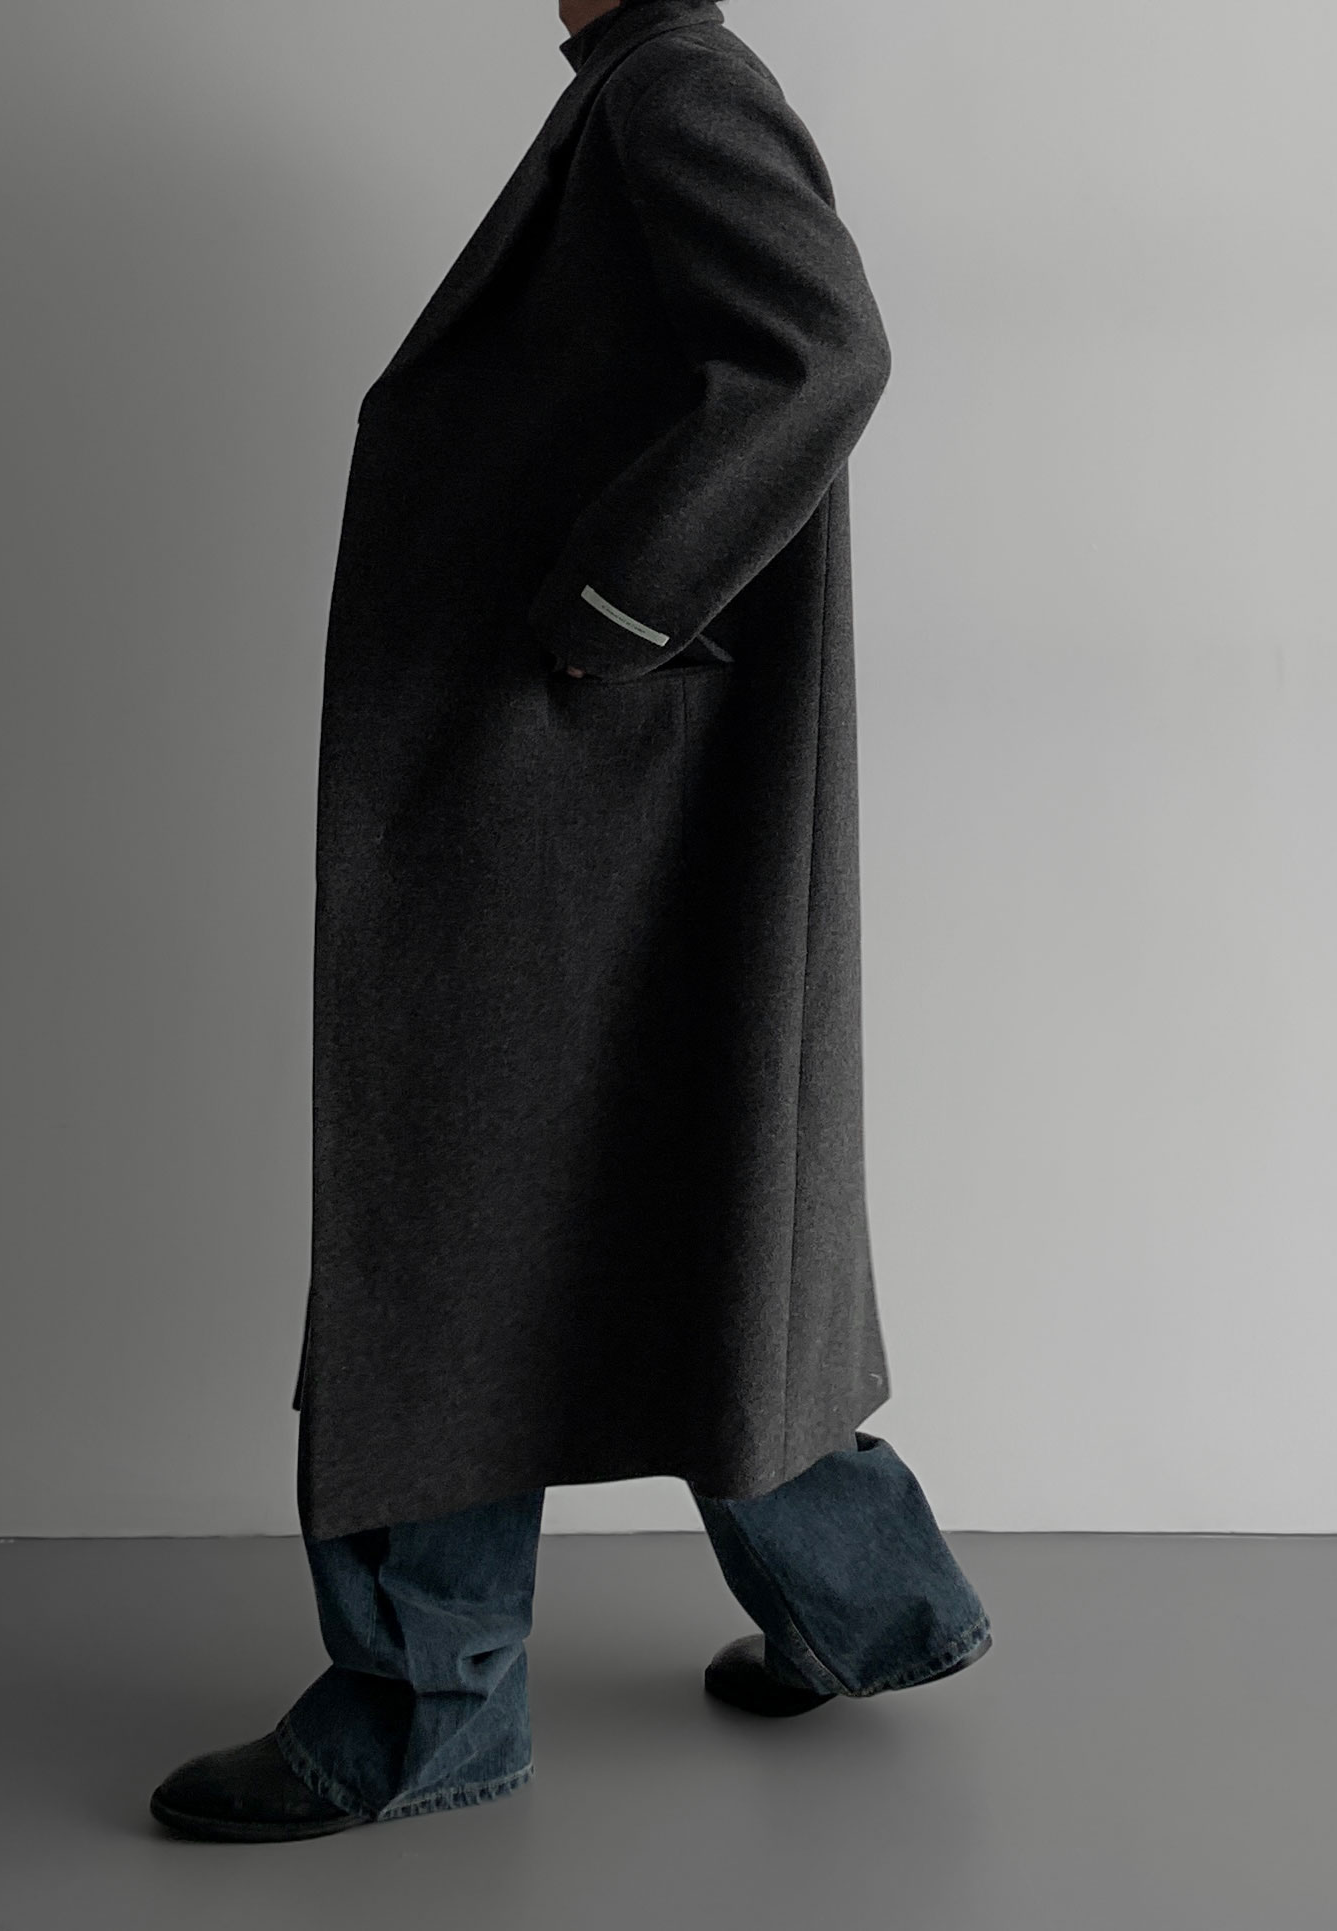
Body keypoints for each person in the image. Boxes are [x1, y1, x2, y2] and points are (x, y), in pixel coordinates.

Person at [150, 0, 990, 1844]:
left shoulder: (677, 89)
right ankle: (871, 1605)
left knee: (446, 1224)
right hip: (598, 786)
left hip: (562, 779)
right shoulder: (647, 88)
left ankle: (424, 1706)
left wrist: (611, 611)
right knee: (682, 1196)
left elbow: (824, 351)